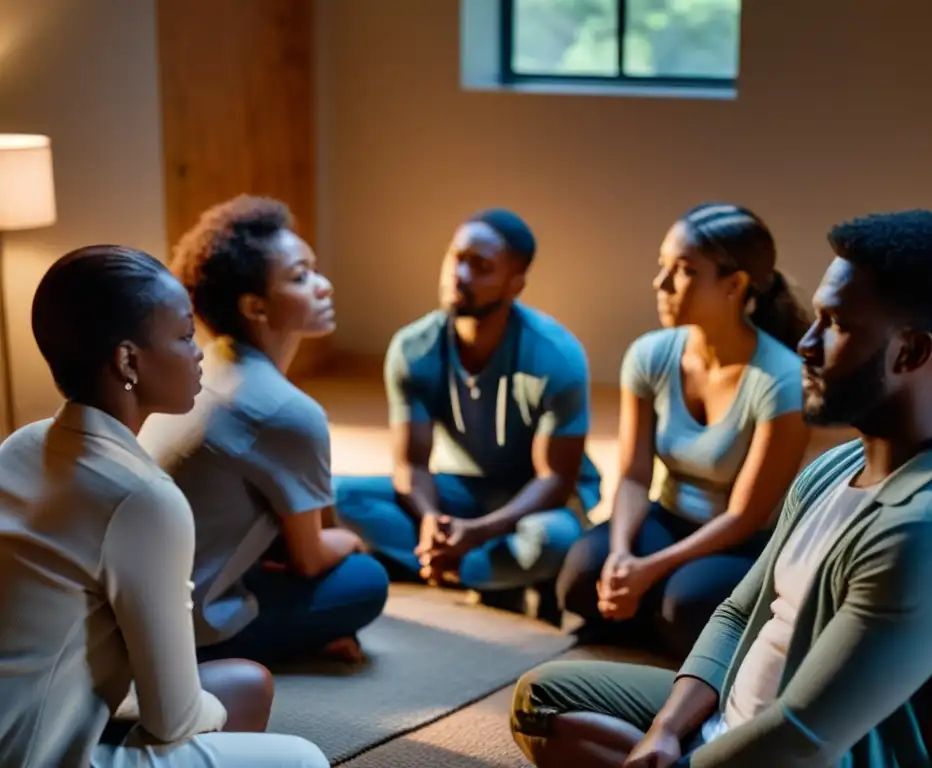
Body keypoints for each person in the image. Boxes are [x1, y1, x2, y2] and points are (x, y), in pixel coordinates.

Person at [509, 209, 932, 768]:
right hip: (736, 716)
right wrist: (665, 729)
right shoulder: (839, 464)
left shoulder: (929, 534)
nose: (806, 342)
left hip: (803, 757)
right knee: (541, 700)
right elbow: (737, 612)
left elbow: (802, 736)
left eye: (836, 324)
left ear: (912, 353)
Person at [0, 246, 328, 767]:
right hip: (38, 753)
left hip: (44, 709)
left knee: (246, 684)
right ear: (128, 361)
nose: (199, 352)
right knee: (303, 758)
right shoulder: (145, 499)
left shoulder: (22, 444)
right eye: (182, 337)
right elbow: (171, 720)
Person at [138, 196, 388, 665]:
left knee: (339, 505)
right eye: (300, 277)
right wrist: (354, 541)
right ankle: (286, 641)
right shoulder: (286, 411)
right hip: (191, 627)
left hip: (144, 600)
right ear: (255, 306)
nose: (324, 286)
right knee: (365, 579)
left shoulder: (206, 368)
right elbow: (309, 560)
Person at [556, 203, 811, 658]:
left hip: (740, 542)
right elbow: (634, 475)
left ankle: (655, 618)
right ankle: (646, 612)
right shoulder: (650, 355)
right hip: (668, 517)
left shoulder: (781, 380)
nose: (661, 284)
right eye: (663, 267)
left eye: (685, 271)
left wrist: (649, 570)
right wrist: (620, 555)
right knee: (581, 575)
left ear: (735, 285)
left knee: (685, 606)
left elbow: (745, 517)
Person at [333, 209, 601, 621]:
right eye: (455, 258)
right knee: (335, 496)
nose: (459, 274)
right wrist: (429, 520)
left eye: (481, 267)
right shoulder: (413, 348)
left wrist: (479, 532)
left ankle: (452, 564)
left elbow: (554, 480)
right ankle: (480, 569)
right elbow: (411, 464)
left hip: (537, 501)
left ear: (515, 285)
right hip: (462, 492)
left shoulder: (555, 357)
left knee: (555, 541)